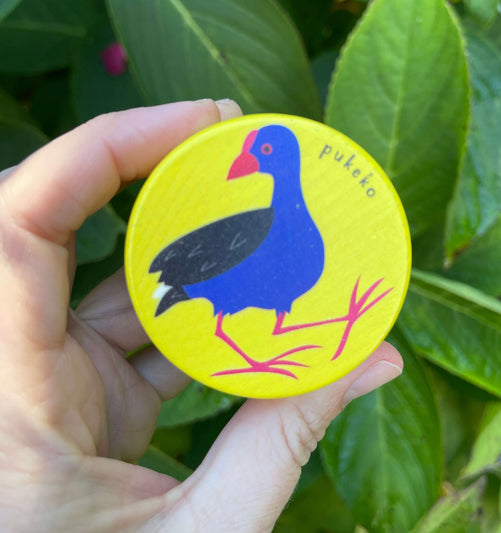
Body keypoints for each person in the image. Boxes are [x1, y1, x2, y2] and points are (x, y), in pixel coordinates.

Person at [0, 99, 403, 532]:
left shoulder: (300, 246)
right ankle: (258, 357)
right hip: (194, 279)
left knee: (290, 299)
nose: (249, 162)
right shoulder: (258, 231)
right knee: (226, 318)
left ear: (283, 158)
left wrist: (347, 324)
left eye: (262, 154)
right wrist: (259, 364)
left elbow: (283, 322)